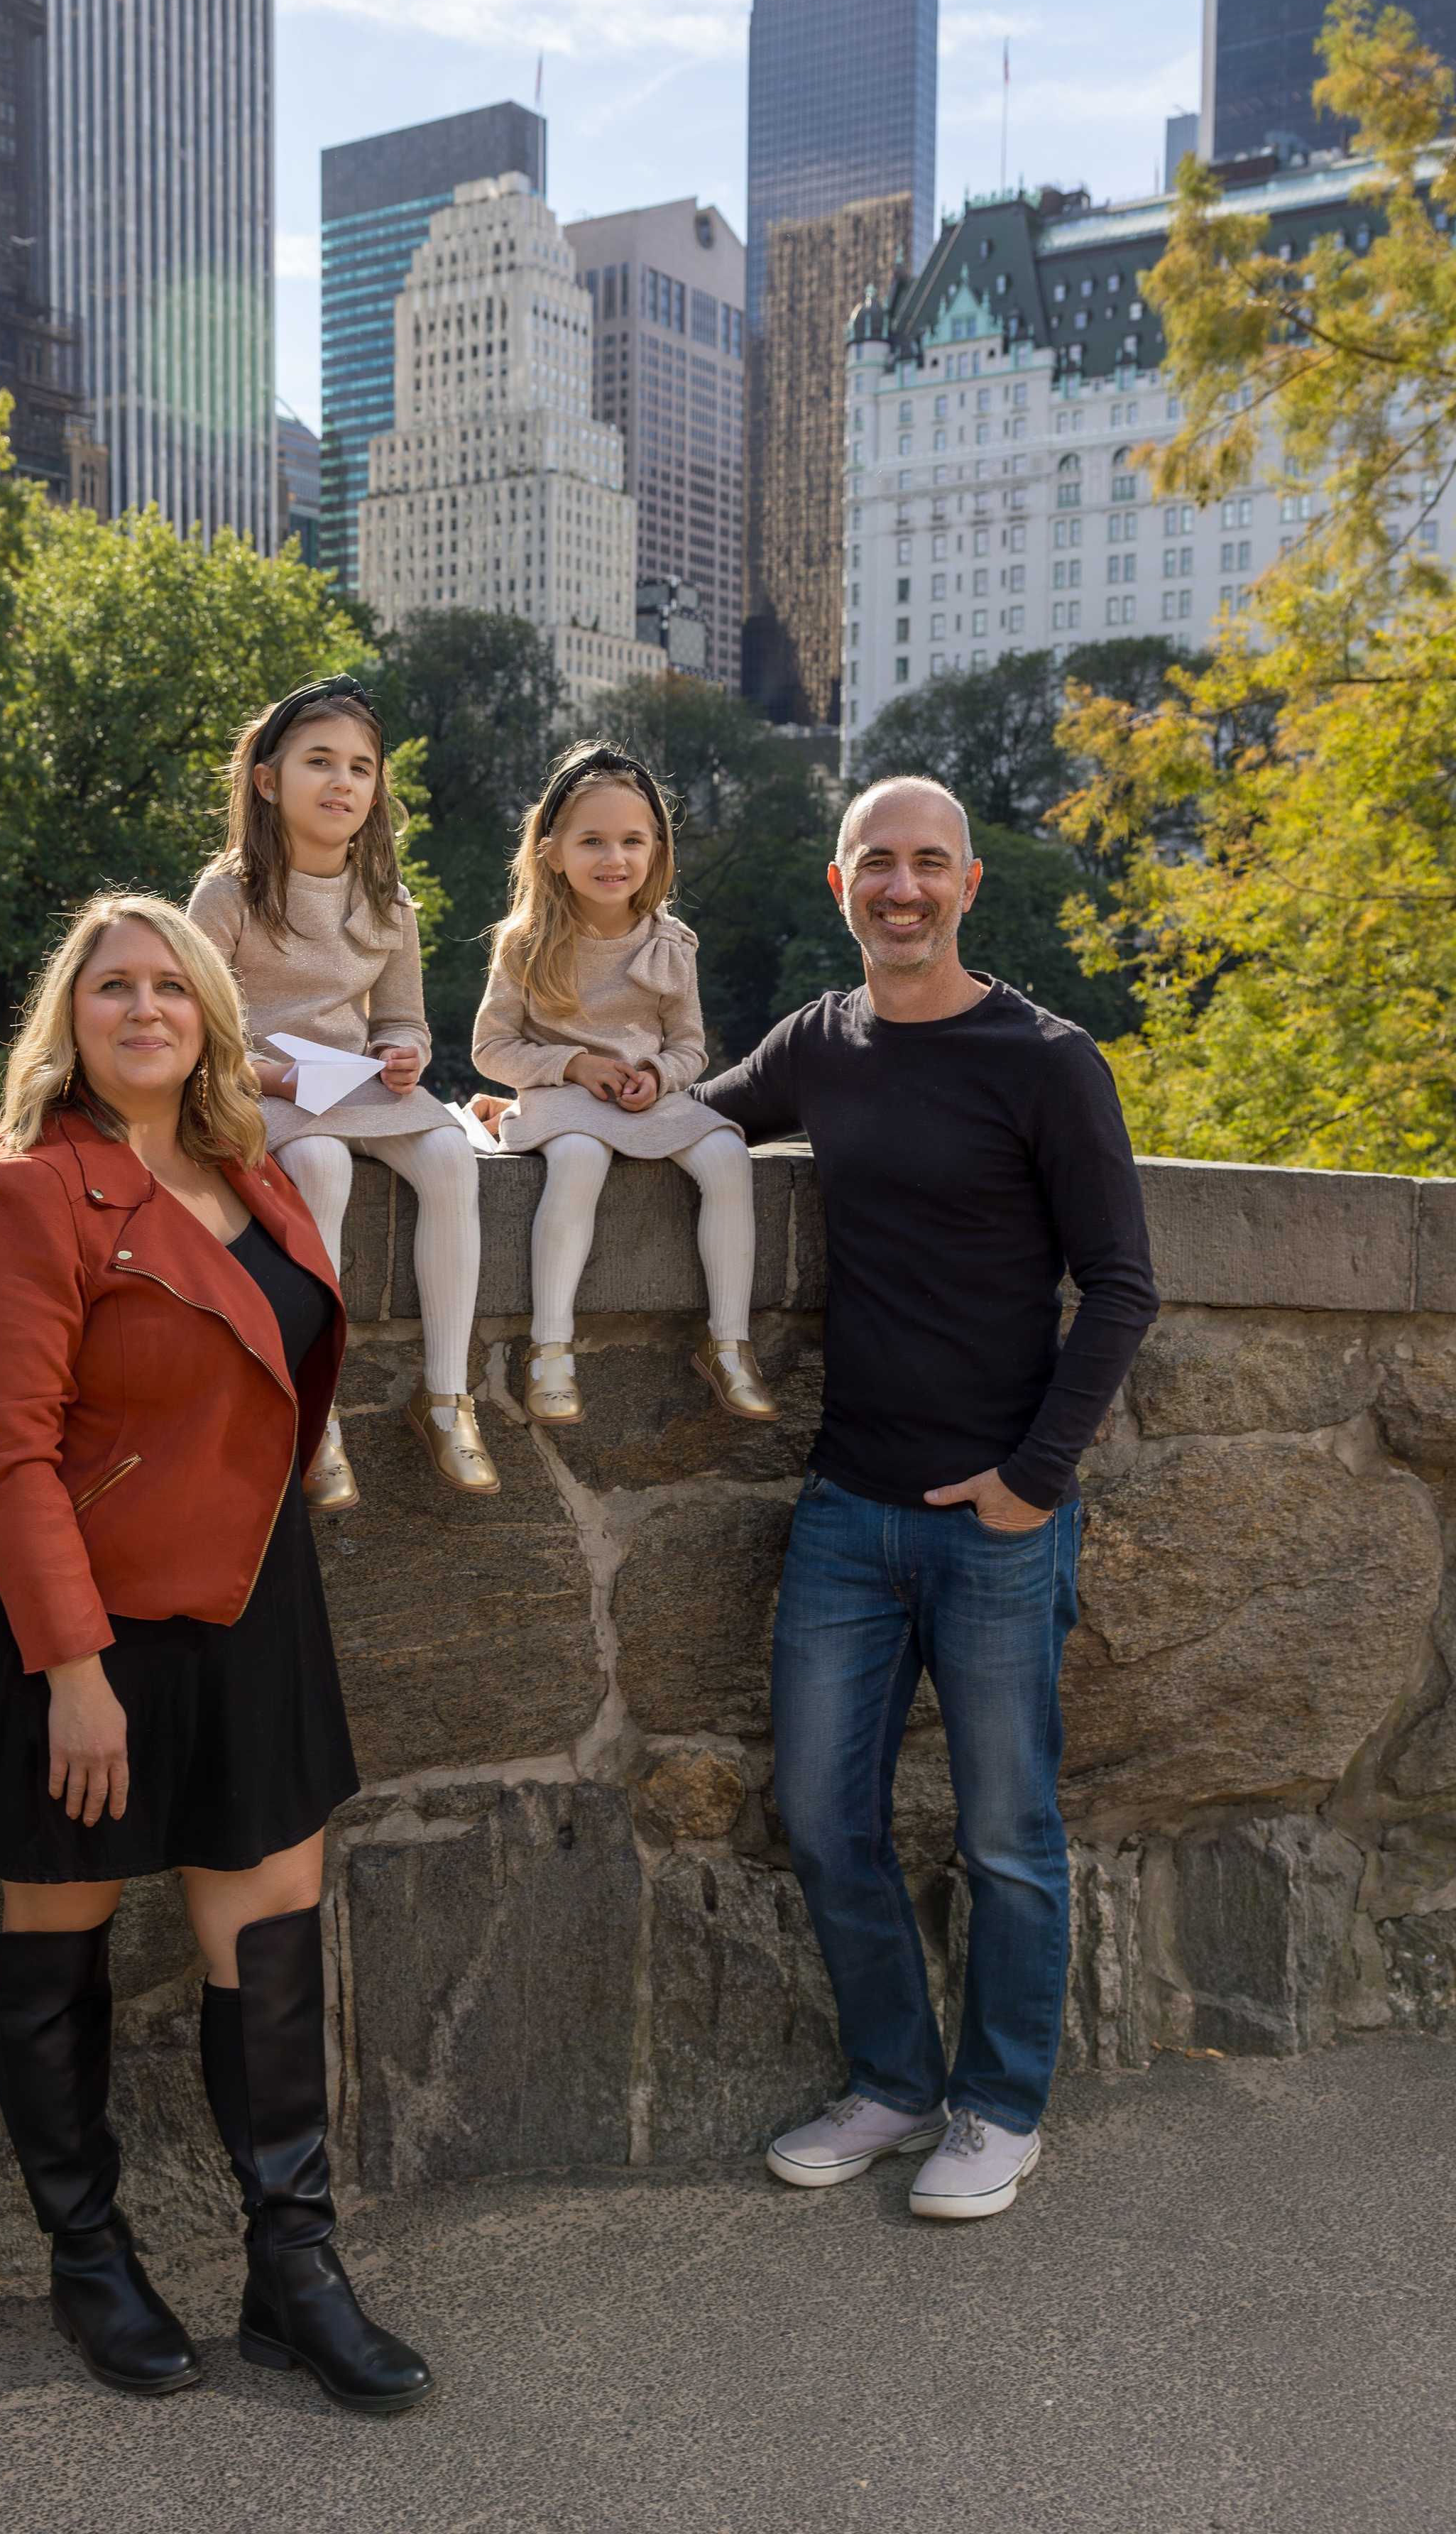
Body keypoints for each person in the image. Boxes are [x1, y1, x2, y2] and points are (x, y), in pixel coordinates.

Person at [0, 893, 430, 2411]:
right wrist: (73, 1672)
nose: (142, 1010)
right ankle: (89, 2263)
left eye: (169, 989)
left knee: (265, 1932)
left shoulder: (248, 1171)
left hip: (248, 1595)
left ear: (207, 1016)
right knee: (56, 1933)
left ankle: (292, 2272)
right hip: (71, 1620)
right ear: (68, 1022)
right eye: (109, 988)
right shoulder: (25, 1195)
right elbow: (3, 1455)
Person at [696, 777, 1158, 2222]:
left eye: (925, 866)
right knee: (822, 1820)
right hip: (845, 1505)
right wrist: (521, 1115)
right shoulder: (817, 1045)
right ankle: (894, 2084)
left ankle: (997, 2108)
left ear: (965, 886)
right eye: (873, 867)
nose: (899, 888)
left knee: (1006, 1835)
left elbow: (1123, 1290)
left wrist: (1031, 1483)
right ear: (839, 889)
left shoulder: (1045, 1060)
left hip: (992, 1522)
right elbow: (691, 1128)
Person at [189, 675, 495, 1508]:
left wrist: (399, 1053)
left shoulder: (388, 903)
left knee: (449, 1159)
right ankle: (313, 1414)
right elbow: (197, 1034)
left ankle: (445, 1397)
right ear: (267, 780)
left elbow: (407, 1022)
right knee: (321, 1166)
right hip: (263, 1088)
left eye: (360, 768)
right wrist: (280, 1076)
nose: (342, 783)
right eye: (319, 762)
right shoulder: (227, 896)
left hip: (355, 1084)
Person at [471, 741, 773, 1428]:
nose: (615, 859)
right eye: (593, 841)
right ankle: (550, 1346)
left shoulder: (670, 944)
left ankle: (728, 1341)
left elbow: (688, 1046)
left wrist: (659, 1075)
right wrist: (571, 1065)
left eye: (632, 841)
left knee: (728, 1157)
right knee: (578, 1159)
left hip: (646, 1100)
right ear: (551, 852)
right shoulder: (526, 942)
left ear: (657, 849)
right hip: (561, 1099)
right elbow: (490, 1048)